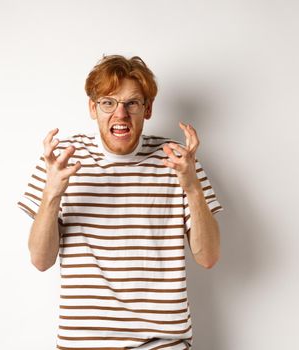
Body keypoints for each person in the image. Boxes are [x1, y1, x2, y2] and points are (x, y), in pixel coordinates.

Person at [17, 54, 223, 349]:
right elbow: (40, 260)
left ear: (147, 109)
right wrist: (51, 195)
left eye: (132, 103)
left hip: (163, 341)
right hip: (84, 342)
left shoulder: (179, 160)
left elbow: (208, 257)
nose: (120, 114)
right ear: (93, 107)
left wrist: (191, 187)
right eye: (108, 102)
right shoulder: (61, 160)